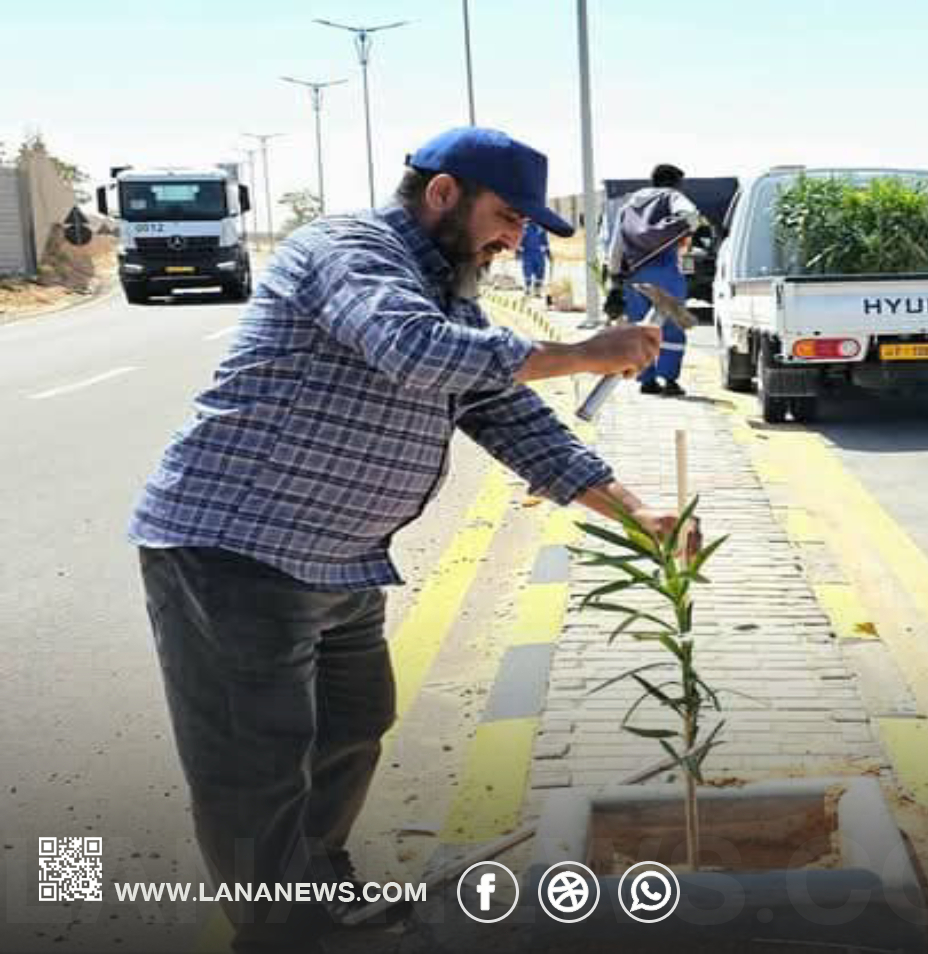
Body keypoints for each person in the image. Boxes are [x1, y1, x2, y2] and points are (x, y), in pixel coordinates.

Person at [128, 127, 696, 954]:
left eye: (526, 226)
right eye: (506, 217)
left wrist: (633, 510)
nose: (515, 239)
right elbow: (412, 352)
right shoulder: (347, 250)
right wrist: (578, 354)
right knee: (258, 762)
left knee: (356, 720)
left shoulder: (449, 293)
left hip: (338, 559)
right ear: (442, 195)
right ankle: (279, 929)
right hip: (234, 549)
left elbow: (504, 413)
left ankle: (315, 893)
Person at [603, 163, 700, 396]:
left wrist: (615, 280)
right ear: (676, 183)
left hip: (634, 275)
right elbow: (691, 215)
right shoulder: (672, 196)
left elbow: (616, 244)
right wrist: (674, 231)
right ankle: (669, 380)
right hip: (666, 272)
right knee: (672, 327)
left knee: (641, 329)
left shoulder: (630, 205)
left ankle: (646, 381)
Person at [519, 218, 549, 297]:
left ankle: (537, 291)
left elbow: (545, 241)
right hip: (528, 253)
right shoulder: (524, 228)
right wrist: (518, 251)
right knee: (527, 271)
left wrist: (548, 252)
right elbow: (521, 241)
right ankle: (528, 289)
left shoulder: (541, 229)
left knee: (540, 272)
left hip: (539, 254)